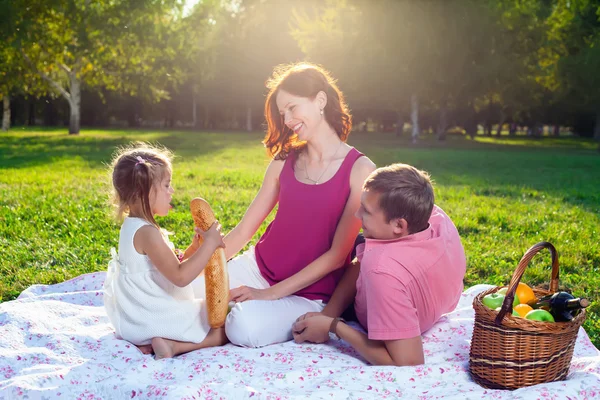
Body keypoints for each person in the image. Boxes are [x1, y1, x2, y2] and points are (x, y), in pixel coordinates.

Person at [191, 62, 376, 348]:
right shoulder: (283, 161)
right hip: (259, 267)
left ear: (321, 101)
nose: (287, 119)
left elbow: (338, 255)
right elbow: (244, 230)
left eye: (292, 107)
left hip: (309, 294)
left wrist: (268, 294)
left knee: (243, 328)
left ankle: (205, 328)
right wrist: (200, 260)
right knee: (185, 287)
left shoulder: (360, 169)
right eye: (282, 112)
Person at [291, 164, 466, 366]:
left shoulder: (381, 270)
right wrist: (329, 312)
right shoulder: (436, 217)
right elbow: (367, 258)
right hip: (421, 299)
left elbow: (409, 361)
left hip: (383, 304)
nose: (357, 214)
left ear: (399, 225)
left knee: (327, 245)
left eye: (366, 210)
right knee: (357, 241)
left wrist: (332, 326)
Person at [104, 144, 228, 359]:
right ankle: (173, 346)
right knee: (226, 325)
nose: (171, 191)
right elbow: (180, 277)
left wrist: (194, 250)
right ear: (143, 192)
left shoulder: (132, 226)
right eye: (166, 185)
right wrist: (210, 245)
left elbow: (168, 270)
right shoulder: (147, 233)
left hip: (134, 319)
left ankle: (148, 342)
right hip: (152, 318)